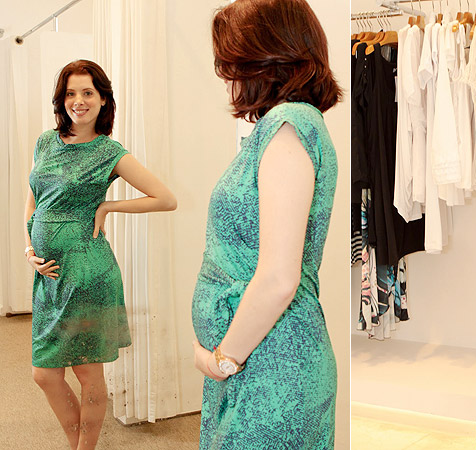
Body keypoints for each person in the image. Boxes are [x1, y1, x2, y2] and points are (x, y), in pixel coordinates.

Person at [190, 0, 341, 448]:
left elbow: (278, 278)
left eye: (231, 63)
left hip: (269, 366)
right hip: (257, 360)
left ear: (264, 56)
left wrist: (222, 360)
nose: (227, 77)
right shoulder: (286, 126)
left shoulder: (288, 126)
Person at [24, 59, 177, 450]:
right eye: (71, 93)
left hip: (87, 274)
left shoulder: (109, 152)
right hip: (48, 276)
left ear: (103, 99)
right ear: (61, 100)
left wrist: (109, 206)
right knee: (45, 374)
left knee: (87, 372)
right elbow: (34, 203)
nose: (79, 101)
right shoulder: (45, 142)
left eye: (88, 92)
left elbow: (165, 198)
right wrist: (29, 249)